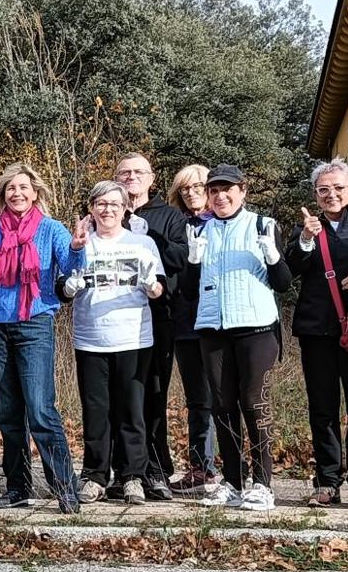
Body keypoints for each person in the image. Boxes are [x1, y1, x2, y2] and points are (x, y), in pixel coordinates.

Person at [0, 162, 88, 513]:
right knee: (8, 413)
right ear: (3, 194)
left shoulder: (51, 229)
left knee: (40, 408)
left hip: (34, 323)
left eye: (23, 187)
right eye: (10, 188)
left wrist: (75, 246)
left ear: (35, 191)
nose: (17, 193)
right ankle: (18, 486)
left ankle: (64, 486)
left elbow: (71, 266)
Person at [187, 164, 292, 512]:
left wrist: (273, 256)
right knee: (222, 404)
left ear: (243, 191)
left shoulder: (263, 225)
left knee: (254, 402)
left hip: (256, 328)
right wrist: (193, 259)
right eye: (214, 191)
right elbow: (189, 291)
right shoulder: (199, 230)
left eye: (227, 189)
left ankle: (263, 484)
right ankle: (232, 481)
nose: (221, 196)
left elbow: (283, 283)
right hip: (212, 329)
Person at [285, 158, 348, 509]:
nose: (331, 195)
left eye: (338, 188)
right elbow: (289, 270)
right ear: (315, 194)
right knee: (322, 408)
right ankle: (327, 480)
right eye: (323, 190)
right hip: (317, 331)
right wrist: (307, 239)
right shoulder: (306, 230)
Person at [61, 181, 165, 506]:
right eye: (101, 204)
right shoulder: (79, 244)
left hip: (133, 339)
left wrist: (151, 286)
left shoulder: (143, 244)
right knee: (96, 411)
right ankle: (94, 475)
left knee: (131, 411)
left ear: (125, 209)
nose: (107, 210)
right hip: (91, 340)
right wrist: (70, 285)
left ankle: (132, 476)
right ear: (91, 208)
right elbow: (61, 290)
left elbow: (159, 288)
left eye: (114, 204)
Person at [113, 152, 188, 496]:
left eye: (138, 172)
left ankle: (156, 469)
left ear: (152, 178)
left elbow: (179, 260)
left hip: (160, 317)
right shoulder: (108, 213)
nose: (131, 177)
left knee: (153, 394)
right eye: (124, 172)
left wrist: (150, 238)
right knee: (119, 397)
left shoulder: (170, 217)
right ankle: (123, 471)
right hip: (114, 320)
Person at [165, 164, 219, 496]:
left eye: (198, 185)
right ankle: (202, 468)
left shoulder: (227, 224)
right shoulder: (178, 228)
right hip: (185, 323)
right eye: (184, 188)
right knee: (198, 399)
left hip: (222, 322)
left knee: (227, 398)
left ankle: (236, 466)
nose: (191, 192)